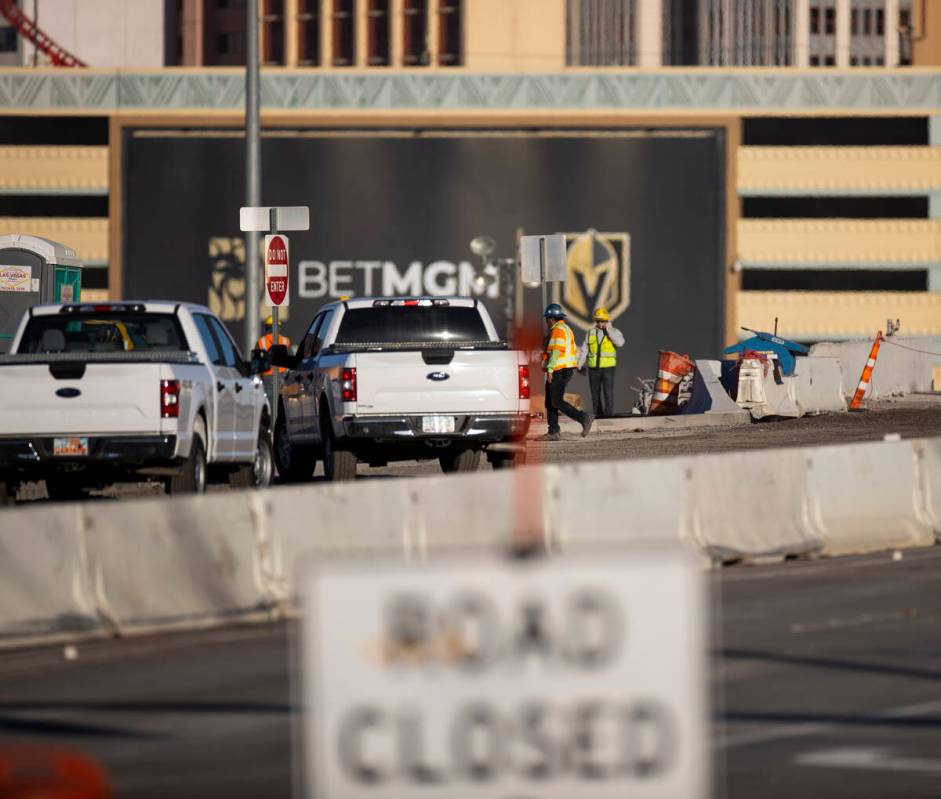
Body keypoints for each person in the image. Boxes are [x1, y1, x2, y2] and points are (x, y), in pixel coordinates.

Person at [539, 303, 593, 442]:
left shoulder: (558, 330)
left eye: (547, 319)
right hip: (565, 369)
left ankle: (583, 418)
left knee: (556, 401)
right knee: (550, 402)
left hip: (559, 369)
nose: (546, 322)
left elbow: (556, 351)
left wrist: (550, 369)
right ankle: (553, 431)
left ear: (551, 318)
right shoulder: (566, 329)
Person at [577, 307, 624, 418]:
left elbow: (620, 343)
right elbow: (584, 350)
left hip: (608, 368)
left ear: (607, 320)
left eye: (602, 321)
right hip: (594, 368)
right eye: (598, 321)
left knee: (608, 393)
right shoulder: (590, 333)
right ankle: (599, 415)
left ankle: (608, 415)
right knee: (595, 394)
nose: (600, 323)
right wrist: (579, 365)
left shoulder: (614, 332)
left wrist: (609, 331)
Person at [255, 315, 291, 408]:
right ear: (279, 328)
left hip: (267, 377)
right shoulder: (285, 340)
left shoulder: (261, 342)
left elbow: (257, 363)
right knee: (282, 405)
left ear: (267, 327)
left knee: (270, 405)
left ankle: (272, 421)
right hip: (282, 376)